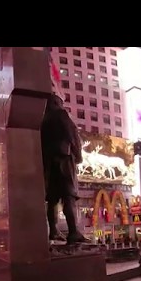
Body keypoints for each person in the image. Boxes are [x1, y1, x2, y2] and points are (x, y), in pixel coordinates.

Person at [41, 94, 88, 244]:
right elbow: (72, 134)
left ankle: (53, 231)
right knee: (69, 195)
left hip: (49, 163)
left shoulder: (43, 120)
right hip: (64, 158)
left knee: (53, 198)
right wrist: (78, 154)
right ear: (56, 103)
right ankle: (73, 232)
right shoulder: (61, 114)